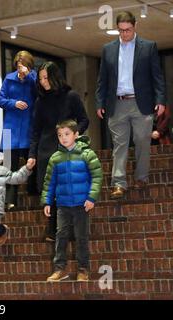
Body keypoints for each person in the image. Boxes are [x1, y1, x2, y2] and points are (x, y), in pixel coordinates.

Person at [95, 11, 166, 199]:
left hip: (141, 102)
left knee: (142, 140)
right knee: (120, 145)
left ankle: (141, 177)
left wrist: (160, 100)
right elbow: (102, 79)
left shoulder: (148, 47)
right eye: (121, 30)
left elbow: (157, 77)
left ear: (135, 27)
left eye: (128, 30)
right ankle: (119, 183)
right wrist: (100, 101)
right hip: (116, 103)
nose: (124, 34)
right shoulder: (108, 49)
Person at [28, 61, 89, 242]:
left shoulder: (71, 96)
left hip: (67, 148)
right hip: (46, 149)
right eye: (40, 78)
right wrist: (32, 155)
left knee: (67, 188)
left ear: (55, 77)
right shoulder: (40, 101)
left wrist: (74, 134)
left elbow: (84, 120)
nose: (43, 81)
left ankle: (68, 228)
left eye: (46, 77)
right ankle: (51, 229)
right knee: (49, 190)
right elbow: (35, 131)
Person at [41, 120, 102, 282]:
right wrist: (47, 202)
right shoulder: (55, 158)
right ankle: (59, 269)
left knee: (81, 237)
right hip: (62, 205)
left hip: (82, 205)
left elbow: (97, 177)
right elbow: (49, 182)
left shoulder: (87, 154)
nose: (63, 138)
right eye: (60, 135)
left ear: (76, 135)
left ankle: (83, 270)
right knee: (60, 236)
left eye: (67, 134)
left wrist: (91, 198)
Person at [0, 50, 37, 211]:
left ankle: (33, 193)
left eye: (24, 66)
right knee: (9, 165)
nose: (21, 69)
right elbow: (1, 100)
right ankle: (10, 200)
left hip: (28, 124)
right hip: (11, 126)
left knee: (31, 162)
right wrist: (14, 103)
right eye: (19, 66)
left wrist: (28, 77)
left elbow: (38, 95)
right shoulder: (9, 78)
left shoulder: (34, 78)